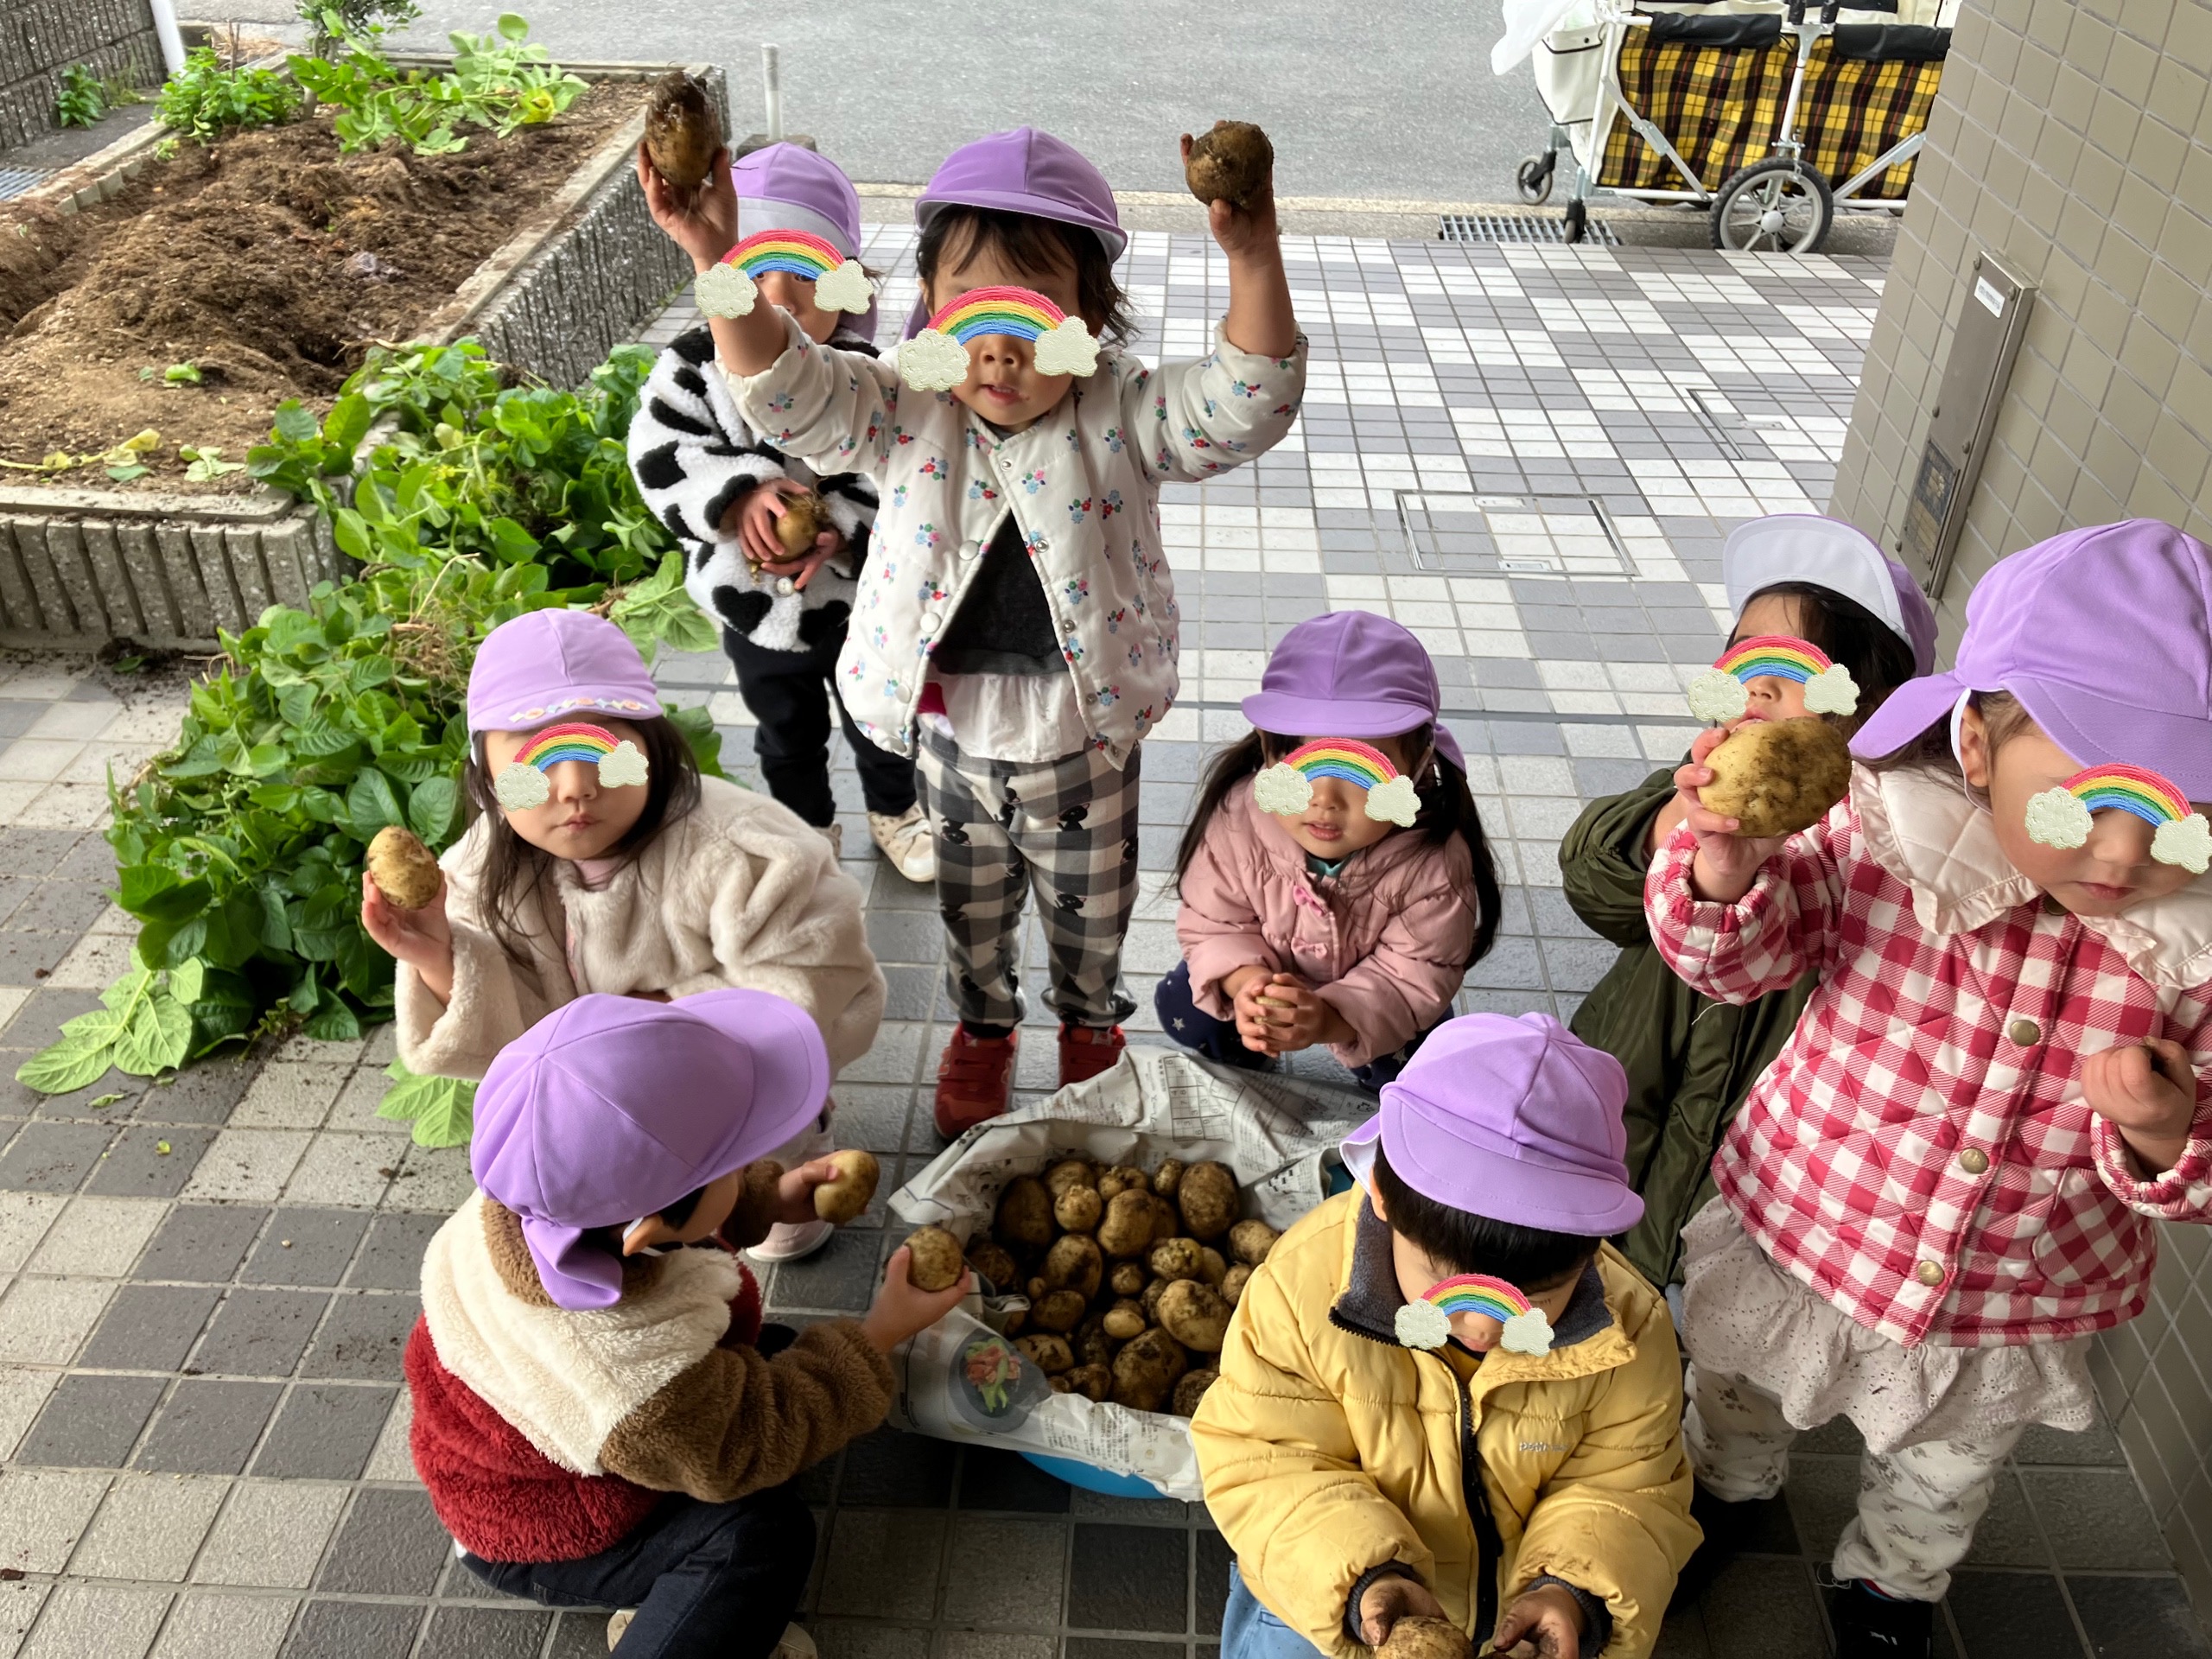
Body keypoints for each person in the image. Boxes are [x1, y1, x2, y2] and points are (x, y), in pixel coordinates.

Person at [667, 122, 1306, 1135]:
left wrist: (1252, 255)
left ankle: (1091, 1031)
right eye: (972, 310)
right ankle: (984, 1028)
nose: (999, 349)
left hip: (1085, 735)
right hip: (951, 736)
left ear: (1093, 322)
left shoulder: (1123, 412)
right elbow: (787, 393)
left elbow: (1247, 401)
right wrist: (715, 262)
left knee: (1092, 916)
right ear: (927, 313)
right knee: (971, 912)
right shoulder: (900, 406)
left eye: (1036, 313)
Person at [1646, 520, 2212, 1659]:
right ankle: (1726, 1495)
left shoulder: (2189, 949)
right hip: (1807, 1221)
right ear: (1978, 743)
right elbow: (1738, 961)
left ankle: (1891, 1594)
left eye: (2176, 823)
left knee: (1944, 1474)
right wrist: (1722, 868)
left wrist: (2165, 1131)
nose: (2115, 858)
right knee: (1738, 1389)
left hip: (2010, 1292)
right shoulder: (1885, 832)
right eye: (2072, 807)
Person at [404, 990, 971, 1659]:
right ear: (647, 1231)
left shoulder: (546, 1184)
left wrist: (769, 1195)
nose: (746, 1168)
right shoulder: (630, 1378)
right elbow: (739, 1449)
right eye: (733, 1166)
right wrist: (879, 1334)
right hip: (543, 1528)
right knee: (758, 1535)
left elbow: (674, 1211)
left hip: (536, 1444)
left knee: (780, 1358)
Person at [363, 608, 883, 1262]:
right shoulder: (474, 872)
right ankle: (648, 1199)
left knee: (757, 1173)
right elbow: (507, 1034)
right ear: (488, 781)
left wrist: (661, 1022)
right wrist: (436, 952)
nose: (576, 787)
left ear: (652, 747)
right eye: (535, 764)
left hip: (722, 1076)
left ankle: (768, 1171)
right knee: (626, 1224)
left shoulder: (744, 848)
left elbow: (812, 969)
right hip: (605, 1107)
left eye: (603, 755)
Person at [1192, 1011, 1699, 1659]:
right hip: (1327, 1599)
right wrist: (1363, 1578)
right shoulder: (1299, 1294)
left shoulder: (1629, 1332)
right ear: (1379, 1193)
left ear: (1590, 1250)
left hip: (1514, 1626)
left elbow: (1630, 1487)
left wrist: (1569, 1592)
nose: (1485, 1327)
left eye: (1534, 1297)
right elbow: (1266, 1456)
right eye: (1446, 1285)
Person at [1560, 515, 1936, 1288]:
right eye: (1746, 660)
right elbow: (1595, 890)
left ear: (1877, 696)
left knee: (1694, 1299)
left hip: (1752, 1168)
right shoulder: (1702, 784)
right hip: (1622, 1093)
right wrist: (1672, 829)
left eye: (1799, 668)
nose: (1758, 685)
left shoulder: (1891, 852)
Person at [631, 140, 935, 882]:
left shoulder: (877, 374)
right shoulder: (691, 367)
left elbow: (907, 473)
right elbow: (662, 454)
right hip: (754, 607)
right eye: (755, 274)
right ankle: (808, 828)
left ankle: (896, 812)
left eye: (808, 275)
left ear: (853, 285)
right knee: (785, 731)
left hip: (864, 598)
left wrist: (839, 528)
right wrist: (743, 494)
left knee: (882, 717)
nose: (781, 297)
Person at [1160, 611, 1501, 1090]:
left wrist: (1328, 1020)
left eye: (1361, 770)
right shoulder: (1239, 816)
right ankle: (1248, 1052)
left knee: (1419, 1065)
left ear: (1419, 764)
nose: (1323, 799)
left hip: (1382, 991)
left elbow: (1414, 973)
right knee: (1186, 1006)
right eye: (1300, 761)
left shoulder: (1435, 859)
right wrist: (1248, 987)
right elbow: (1216, 923)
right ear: (1268, 749)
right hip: (1266, 965)